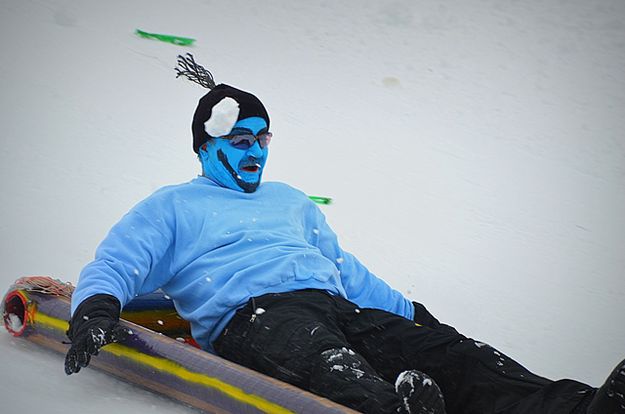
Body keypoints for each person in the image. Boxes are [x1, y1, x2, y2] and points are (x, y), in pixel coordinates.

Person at [64, 54, 625, 414]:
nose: (255, 150)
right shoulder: (173, 205)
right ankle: (393, 409)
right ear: (206, 146)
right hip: (253, 317)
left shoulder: (291, 202)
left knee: (457, 355)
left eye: (263, 138)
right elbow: (119, 262)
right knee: (328, 360)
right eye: (240, 140)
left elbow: (345, 272)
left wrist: (415, 317)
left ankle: (578, 407)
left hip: (333, 304)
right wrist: (93, 309)